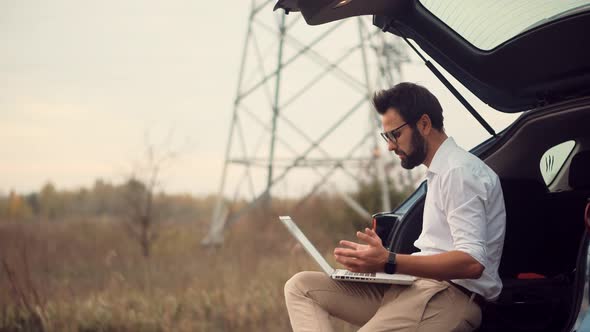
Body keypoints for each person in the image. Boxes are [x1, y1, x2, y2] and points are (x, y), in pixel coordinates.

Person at [283, 82, 506, 332]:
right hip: (411, 288)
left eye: (395, 134)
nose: (389, 145)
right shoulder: (441, 172)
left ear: (423, 124)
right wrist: (376, 264)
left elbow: (471, 262)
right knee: (301, 287)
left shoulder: (459, 172)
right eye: (386, 136)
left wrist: (389, 261)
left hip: (448, 297)